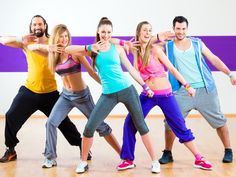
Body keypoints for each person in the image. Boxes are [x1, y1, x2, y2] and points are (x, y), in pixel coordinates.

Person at [64, 17, 160, 174]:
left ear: (112, 33)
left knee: (141, 126)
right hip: (108, 95)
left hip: (127, 90)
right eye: (103, 32)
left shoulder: (118, 48)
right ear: (98, 32)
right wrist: (89, 46)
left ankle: (155, 161)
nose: (106, 35)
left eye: (109, 32)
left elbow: (130, 69)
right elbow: (68, 49)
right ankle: (83, 162)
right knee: (89, 128)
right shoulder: (92, 50)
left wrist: (144, 85)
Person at [117, 21, 213, 171]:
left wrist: (187, 86)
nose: (147, 33)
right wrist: (126, 44)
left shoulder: (156, 50)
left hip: (165, 94)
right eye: (144, 30)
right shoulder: (135, 51)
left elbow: (172, 69)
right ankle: (128, 159)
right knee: (130, 122)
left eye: (150, 30)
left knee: (179, 126)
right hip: (147, 94)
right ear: (138, 33)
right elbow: (117, 47)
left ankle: (198, 158)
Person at [27, 24, 121, 168]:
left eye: (66, 36)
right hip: (66, 96)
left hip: (82, 96)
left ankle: (123, 154)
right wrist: (48, 47)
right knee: (50, 123)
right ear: (56, 38)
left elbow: (91, 72)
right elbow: (31, 47)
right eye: (61, 36)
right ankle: (50, 157)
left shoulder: (75, 53)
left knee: (100, 126)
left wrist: (106, 85)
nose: (64, 39)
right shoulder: (52, 54)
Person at [0, 15, 83, 163]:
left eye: (40, 24)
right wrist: (21, 38)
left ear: (45, 26)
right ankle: (10, 149)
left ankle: (82, 145)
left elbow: (65, 47)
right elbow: (3, 40)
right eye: (34, 25)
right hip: (29, 90)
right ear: (31, 27)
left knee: (64, 122)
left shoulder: (53, 41)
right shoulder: (26, 42)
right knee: (11, 115)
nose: (37, 26)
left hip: (50, 93)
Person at [159, 16, 236, 164]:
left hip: (205, 90)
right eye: (178, 28)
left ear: (187, 29)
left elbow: (213, 59)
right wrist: (158, 36)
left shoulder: (196, 43)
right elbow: (149, 47)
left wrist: (230, 74)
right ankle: (168, 153)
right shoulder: (167, 46)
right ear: (173, 28)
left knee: (219, 121)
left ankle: (228, 150)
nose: (180, 31)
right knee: (170, 122)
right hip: (182, 91)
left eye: (183, 29)